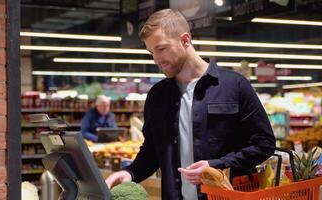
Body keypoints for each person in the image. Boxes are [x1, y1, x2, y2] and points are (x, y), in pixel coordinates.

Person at [106, 9, 275, 200]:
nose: (156, 59)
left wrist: (217, 165)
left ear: (185, 40)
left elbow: (264, 144)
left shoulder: (234, 86)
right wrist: (130, 173)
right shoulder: (157, 95)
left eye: (161, 48)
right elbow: (153, 150)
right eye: (151, 52)